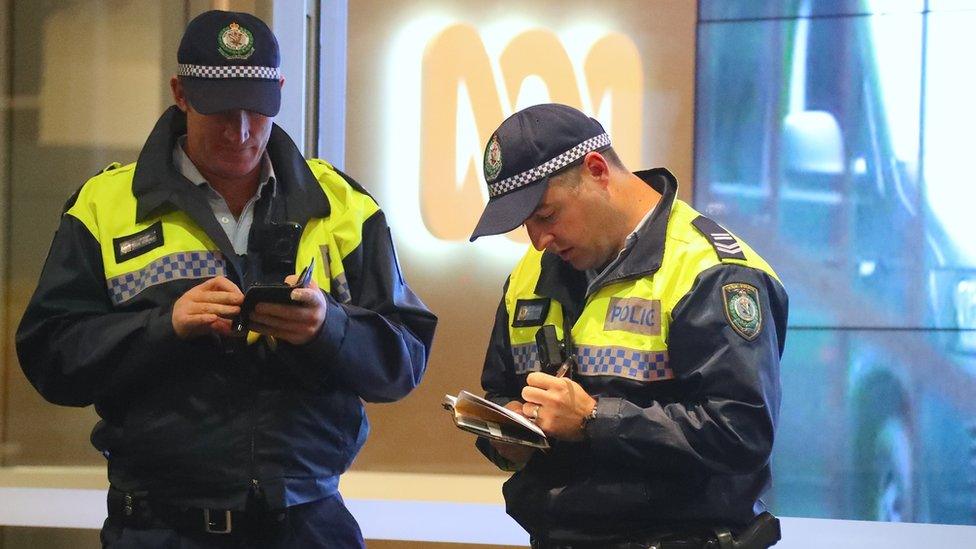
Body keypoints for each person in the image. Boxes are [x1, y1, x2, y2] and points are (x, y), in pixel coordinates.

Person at [16, 10, 436, 548]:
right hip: (159, 525)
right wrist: (164, 327)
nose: (239, 132)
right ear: (181, 94)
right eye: (219, 111)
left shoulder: (343, 209)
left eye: (256, 111)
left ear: (280, 92)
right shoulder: (104, 207)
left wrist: (327, 329)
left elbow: (403, 362)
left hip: (306, 523)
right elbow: (51, 359)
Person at [469, 104, 787, 548]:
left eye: (546, 216)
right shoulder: (530, 275)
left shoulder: (710, 271)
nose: (539, 240)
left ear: (597, 170)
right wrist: (509, 434)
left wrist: (594, 420)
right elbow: (501, 390)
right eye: (526, 226)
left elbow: (741, 432)